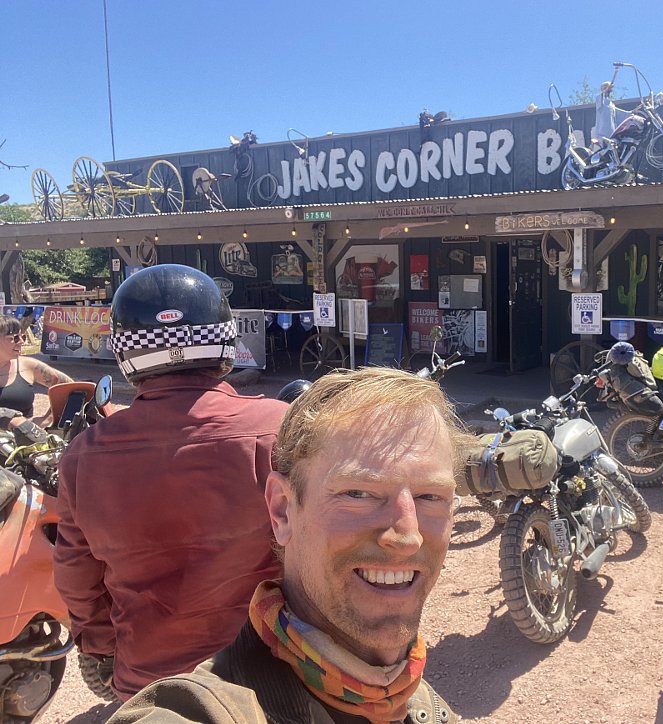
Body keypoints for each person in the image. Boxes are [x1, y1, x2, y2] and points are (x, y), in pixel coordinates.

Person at [110, 366, 475, 724]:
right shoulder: (208, 711)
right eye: (359, 493)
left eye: (431, 496)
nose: (407, 536)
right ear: (282, 511)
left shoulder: (417, 701)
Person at [54, 264, 288, 700]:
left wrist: (107, 650)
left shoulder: (83, 455)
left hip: (150, 688)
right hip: (267, 680)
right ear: (224, 337)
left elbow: (76, 578)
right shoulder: (277, 430)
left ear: (126, 353)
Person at [0, 314, 73, 434]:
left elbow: (69, 386)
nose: (22, 342)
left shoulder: (28, 366)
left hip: (24, 446)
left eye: (22, 336)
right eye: (14, 338)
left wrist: (49, 418)